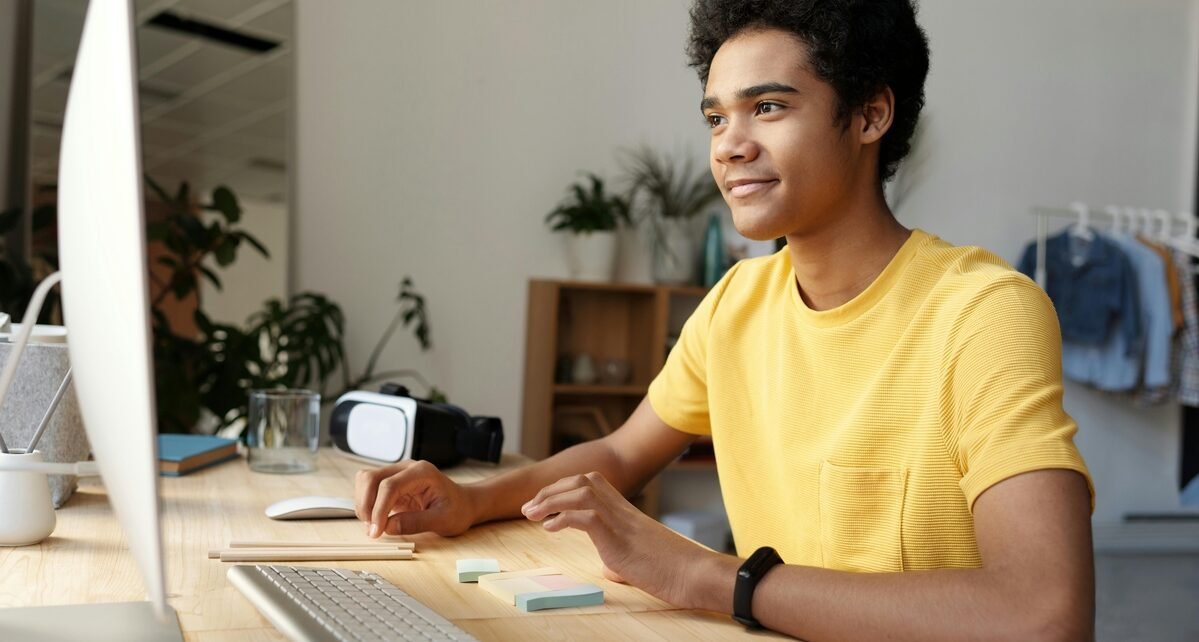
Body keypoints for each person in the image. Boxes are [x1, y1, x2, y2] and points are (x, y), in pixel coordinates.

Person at [355, 1, 1096, 639]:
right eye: (717, 115)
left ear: (870, 113)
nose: (729, 145)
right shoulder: (737, 301)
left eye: (768, 108)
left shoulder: (982, 311)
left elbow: (1042, 615)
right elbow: (619, 456)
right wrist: (470, 499)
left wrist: (710, 577)